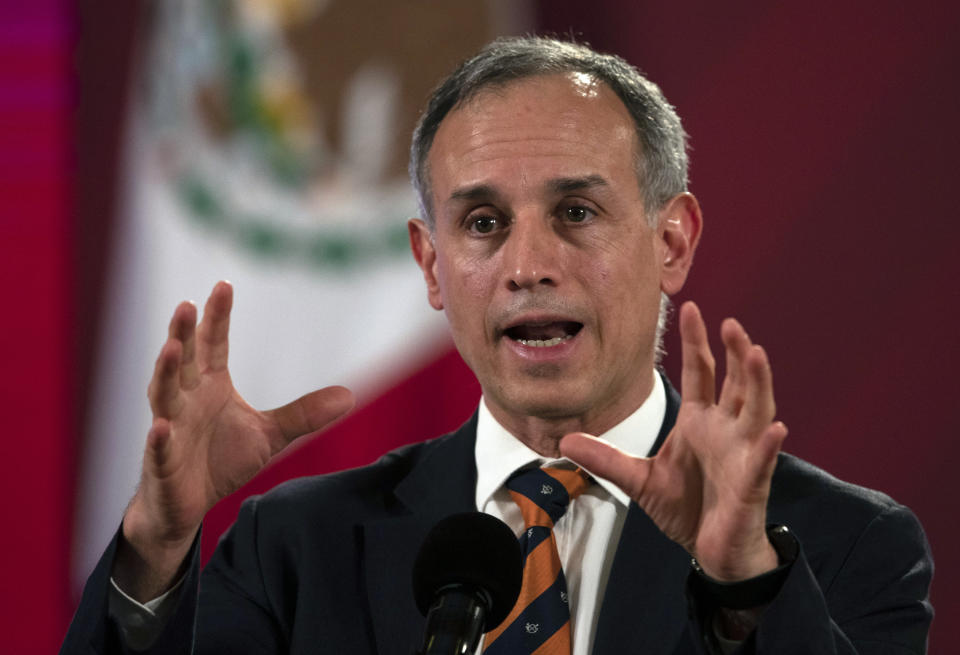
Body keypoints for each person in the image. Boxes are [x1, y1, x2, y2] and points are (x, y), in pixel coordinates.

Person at [61, 36, 933, 654]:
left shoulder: (844, 544)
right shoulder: (295, 549)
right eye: (483, 223)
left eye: (576, 212)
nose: (528, 265)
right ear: (432, 266)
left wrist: (744, 587)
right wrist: (157, 544)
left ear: (671, 242)